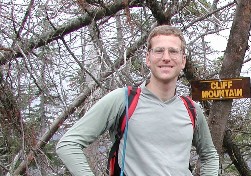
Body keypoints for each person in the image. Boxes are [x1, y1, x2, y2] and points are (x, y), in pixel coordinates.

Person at [56, 25, 219, 176]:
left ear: (183, 61)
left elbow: (210, 156)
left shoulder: (191, 109)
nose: (166, 58)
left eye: (173, 51)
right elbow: (68, 144)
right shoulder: (123, 100)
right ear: (148, 58)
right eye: (159, 51)